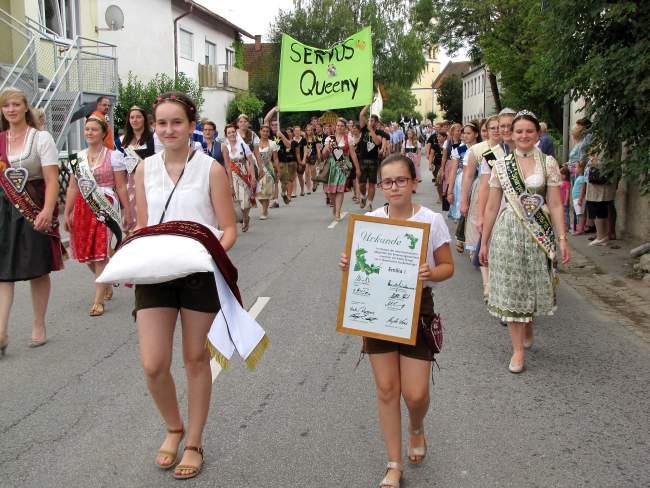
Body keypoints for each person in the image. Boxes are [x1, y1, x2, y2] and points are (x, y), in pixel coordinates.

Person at [133, 91, 237, 480]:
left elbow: (228, 228)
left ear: (191, 125)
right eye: (161, 123)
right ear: (153, 127)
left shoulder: (210, 169)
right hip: (156, 273)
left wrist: (208, 255)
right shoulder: (144, 169)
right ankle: (173, 426)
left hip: (198, 274)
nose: (168, 129)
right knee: (153, 363)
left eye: (177, 122)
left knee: (195, 359)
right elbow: (143, 224)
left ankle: (193, 441)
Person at [339, 154, 454, 488]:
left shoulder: (431, 220)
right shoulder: (370, 222)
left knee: (415, 394)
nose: (394, 187)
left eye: (401, 180)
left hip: (417, 308)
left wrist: (431, 272)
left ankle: (416, 426)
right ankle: (393, 463)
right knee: (387, 389)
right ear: (380, 186)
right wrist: (349, 263)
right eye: (387, 182)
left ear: (414, 182)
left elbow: (448, 266)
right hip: (376, 308)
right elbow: (360, 265)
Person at [479, 111, 570, 374]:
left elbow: (555, 203)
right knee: (511, 287)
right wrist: (484, 242)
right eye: (519, 131)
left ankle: (528, 322)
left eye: (529, 131)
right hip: (508, 232)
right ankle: (517, 350)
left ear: (537, 133)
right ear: (512, 134)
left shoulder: (548, 163)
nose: (523, 135)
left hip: (537, 233)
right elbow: (492, 206)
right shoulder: (501, 164)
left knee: (530, 285)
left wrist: (562, 238)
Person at [0, 87, 64, 354]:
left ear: (26, 107)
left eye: (16, 104)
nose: (11, 109)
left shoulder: (41, 138)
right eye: (6, 105)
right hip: (3, 210)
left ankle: (39, 324)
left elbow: (51, 179)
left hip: (33, 206)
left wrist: (47, 210)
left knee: (38, 269)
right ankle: (1, 332)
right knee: (2, 273)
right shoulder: (0, 140)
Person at [64, 116, 130, 316]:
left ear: (103, 133)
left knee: (101, 253)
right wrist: (67, 212)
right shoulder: (77, 158)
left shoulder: (114, 156)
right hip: (83, 207)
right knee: (87, 256)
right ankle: (106, 281)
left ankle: (98, 301)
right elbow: (73, 187)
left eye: (94, 129)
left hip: (105, 206)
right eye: (87, 129)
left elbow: (121, 186)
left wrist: (127, 210)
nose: (89, 132)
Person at [120, 106, 158, 232]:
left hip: (149, 183)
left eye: (138, 117)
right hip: (129, 186)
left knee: (149, 222)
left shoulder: (154, 139)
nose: (135, 120)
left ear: (144, 119)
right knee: (130, 225)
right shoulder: (121, 141)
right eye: (132, 117)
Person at [322, 118, 360, 221]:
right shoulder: (330, 139)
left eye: (342, 126)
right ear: (335, 127)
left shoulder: (348, 138)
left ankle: (338, 212)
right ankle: (335, 207)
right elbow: (324, 155)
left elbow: (353, 154)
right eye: (338, 125)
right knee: (331, 192)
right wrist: (327, 150)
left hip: (343, 166)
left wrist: (357, 169)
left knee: (340, 190)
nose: (339, 127)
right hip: (331, 166)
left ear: (345, 127)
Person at [223, 124, 257, 232]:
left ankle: (245, 218)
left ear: (236, 133)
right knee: (236, 202)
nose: (231, 134)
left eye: (233, 132)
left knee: (245, 202)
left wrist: (253, 177)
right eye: (229, 133)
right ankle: (241, 219)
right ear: (226, 135)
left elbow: (251, 162)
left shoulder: (243, 145)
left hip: (243, 176)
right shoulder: (225, 147)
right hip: (231, 177)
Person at [358, 106, 390, 211]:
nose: (369, 122)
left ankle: (369, 203)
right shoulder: (363, 128)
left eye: (372, 120)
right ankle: (363, 196)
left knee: (372, 183)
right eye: (369, 120)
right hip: (362, 159)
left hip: (373, 160)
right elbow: (361, 114)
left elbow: (377, 142)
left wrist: (371, 130)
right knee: (362, 183)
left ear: (376, 123)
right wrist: (368, 104)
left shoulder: (379, 132)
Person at [447, 123, 479, 223]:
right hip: (461, 183)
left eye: (468, 133)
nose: (465, 135)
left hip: (478, 182)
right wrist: (449, 192)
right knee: (462, 216)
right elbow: (453, 170)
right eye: (464, 133)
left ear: (476, 134)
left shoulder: (481, 148)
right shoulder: (459, 150)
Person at [585, 150, 617, 246]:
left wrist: (592, 160)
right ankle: (603, 236)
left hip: (599, 184)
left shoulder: (604, 147)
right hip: (599, 184)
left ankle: (601, 236)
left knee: (598, 209)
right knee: (602, 209)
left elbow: (602, 163)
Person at [256, 125, 279, 219]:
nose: (265, 133)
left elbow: (276, 158)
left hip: (268, 169)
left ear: (269, 133)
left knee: (266, 191)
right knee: (258, 192)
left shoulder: (272, 143)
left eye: (267, 131)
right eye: (263, 131)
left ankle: (264, 211)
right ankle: (264, 207)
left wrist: (278, 170)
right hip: (258, 169)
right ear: (260, 132)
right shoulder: (255, 143)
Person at [302, 124, 320, 194]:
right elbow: (303, 149)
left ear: (312, 131)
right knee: (306, 172)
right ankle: (308, 188)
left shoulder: (315, 138)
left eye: (310, 130)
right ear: (306, 131)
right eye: (307, 130)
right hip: (306, 156)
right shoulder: (304, 139)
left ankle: (315, 182)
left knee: (313, 170)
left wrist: (319, 156)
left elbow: (318, 148)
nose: (309, 131)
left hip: (313, 156)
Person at [291, 125, 307, 196]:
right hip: (293, 160)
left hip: (301, 159)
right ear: (293, 132)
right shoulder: (291, 140)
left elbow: (305, 151)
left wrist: (304, 160)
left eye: (298, 131)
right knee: (294, 176)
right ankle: (294, 192)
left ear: (300, 131)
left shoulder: (303, 140)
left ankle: (302, 190)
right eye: (296, 131)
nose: (297, 132)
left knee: (300, 176)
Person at [572, 160, 587, 234]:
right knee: (579, 214)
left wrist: (580, 199)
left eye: (576, 167)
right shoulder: (579, 178)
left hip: (578, 198)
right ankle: (580, 228)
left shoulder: (582, 178)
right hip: (576, 198)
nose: (575, 169)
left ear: (581, 168)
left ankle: (580, 229)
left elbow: (582, 189)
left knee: (580, 214)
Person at [560, 166, 571, 231]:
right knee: (562, 214)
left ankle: (567, 226)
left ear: (566, 175)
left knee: (566, 214)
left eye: (562, 174)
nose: (561, 176)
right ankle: (564, 225)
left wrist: (566, 201)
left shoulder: (567, 183)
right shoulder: (561, 182)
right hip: (560, 201)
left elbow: (567, 192)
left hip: (564, 202)